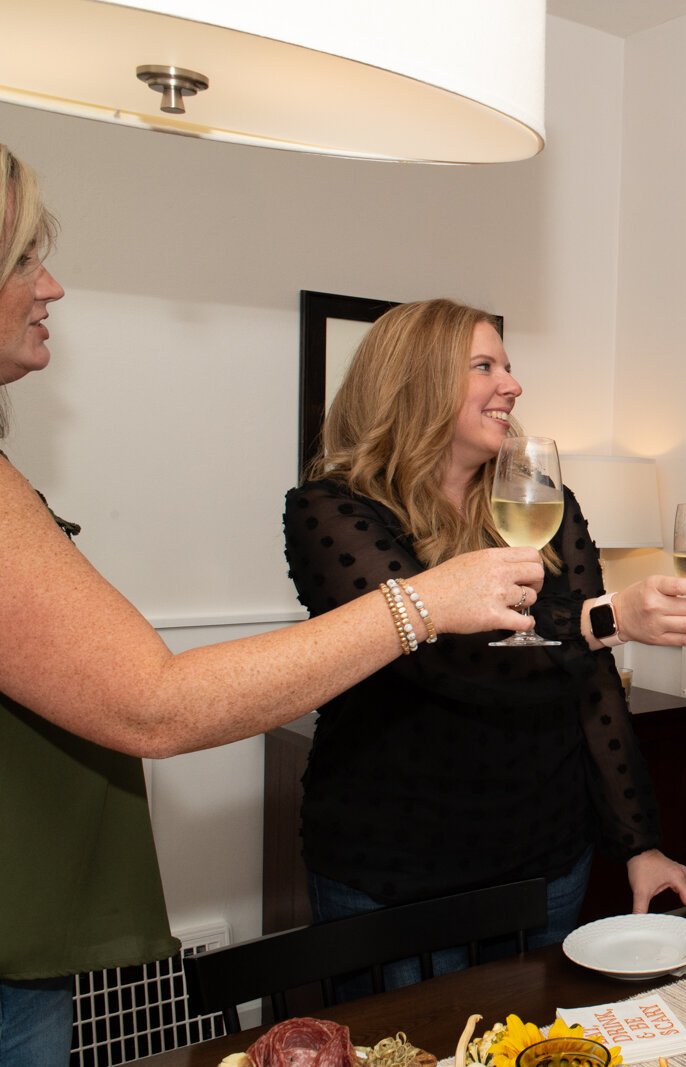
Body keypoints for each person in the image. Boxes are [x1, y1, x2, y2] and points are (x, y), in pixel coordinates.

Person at [0, 146, 541, 1066]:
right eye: (19, 258)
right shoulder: (333, 508)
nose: (49, 285)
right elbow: (153, 701)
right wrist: (424, 603)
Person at [283, 298, 686, 992]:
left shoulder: (546, 501)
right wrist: (599, 617)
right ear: (419, 382)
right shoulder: (332, 511)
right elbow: (441, 656)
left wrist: (638, 841)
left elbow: (593, 683)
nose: (512, 385)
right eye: (485, 366)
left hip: (542, 861)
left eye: (509, 365)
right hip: (392, 871)